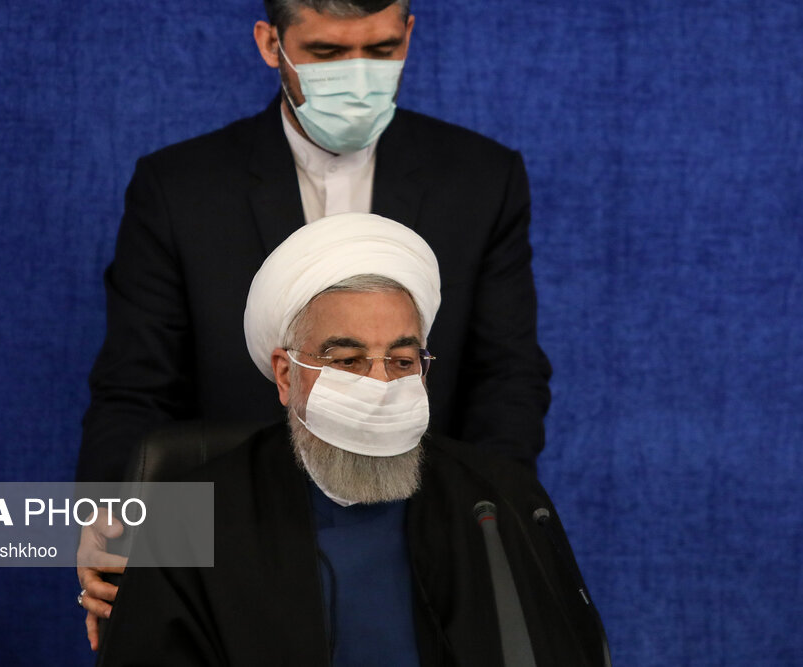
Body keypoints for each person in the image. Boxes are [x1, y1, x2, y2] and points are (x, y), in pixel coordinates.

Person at [77, 0, 553, 649]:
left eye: (381, 50)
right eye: (327, 53)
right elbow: (135, 385)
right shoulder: (180, 187)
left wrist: (484, 526)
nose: (358, 75)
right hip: (233, 536)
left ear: (409, 33)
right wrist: (112, 517)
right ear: (270, 43)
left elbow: (507, 375)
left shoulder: (480, 178)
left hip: (422, 526)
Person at [94, 214, 601, 666]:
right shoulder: (185, 515)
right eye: (348, 360)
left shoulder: (498, 501)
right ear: (286, 375)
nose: (380, 384)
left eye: (402, 361)